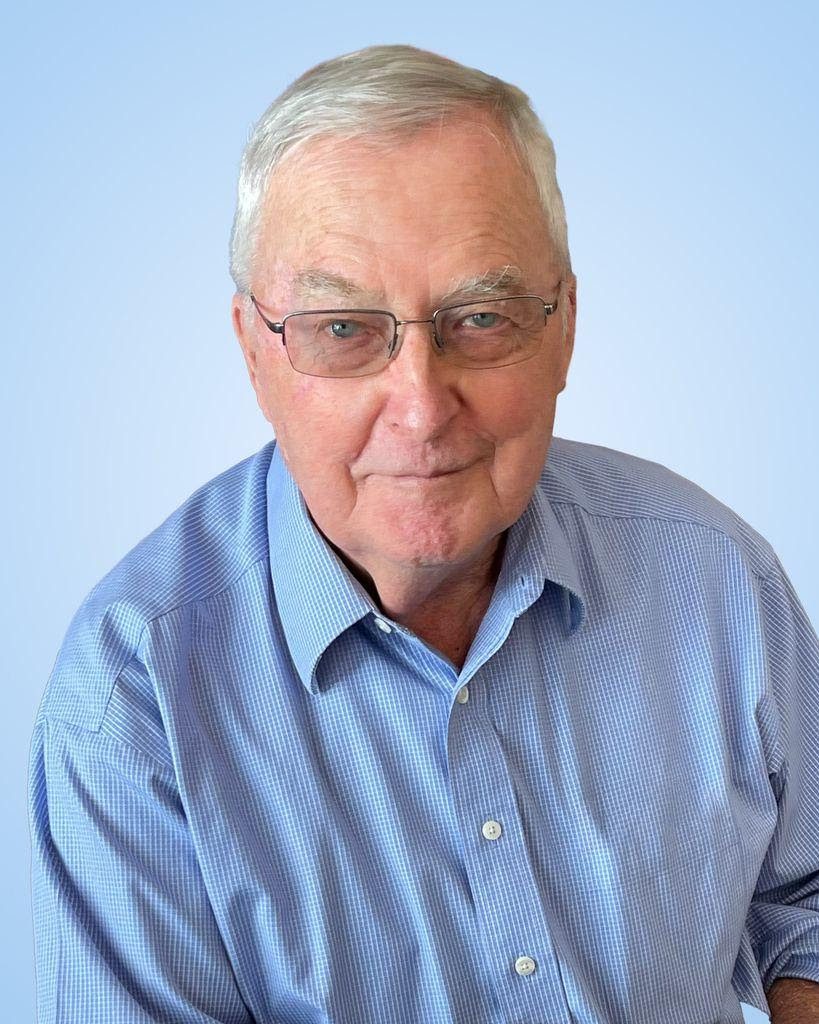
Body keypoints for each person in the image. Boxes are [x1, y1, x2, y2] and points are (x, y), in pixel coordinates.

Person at [28, 44, 819, 1024]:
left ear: (566, 325)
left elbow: (809, 903)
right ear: (251, 349)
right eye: (345, 329)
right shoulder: (133, 695)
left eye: (480, 317)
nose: (421, 408)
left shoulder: (717, 578)